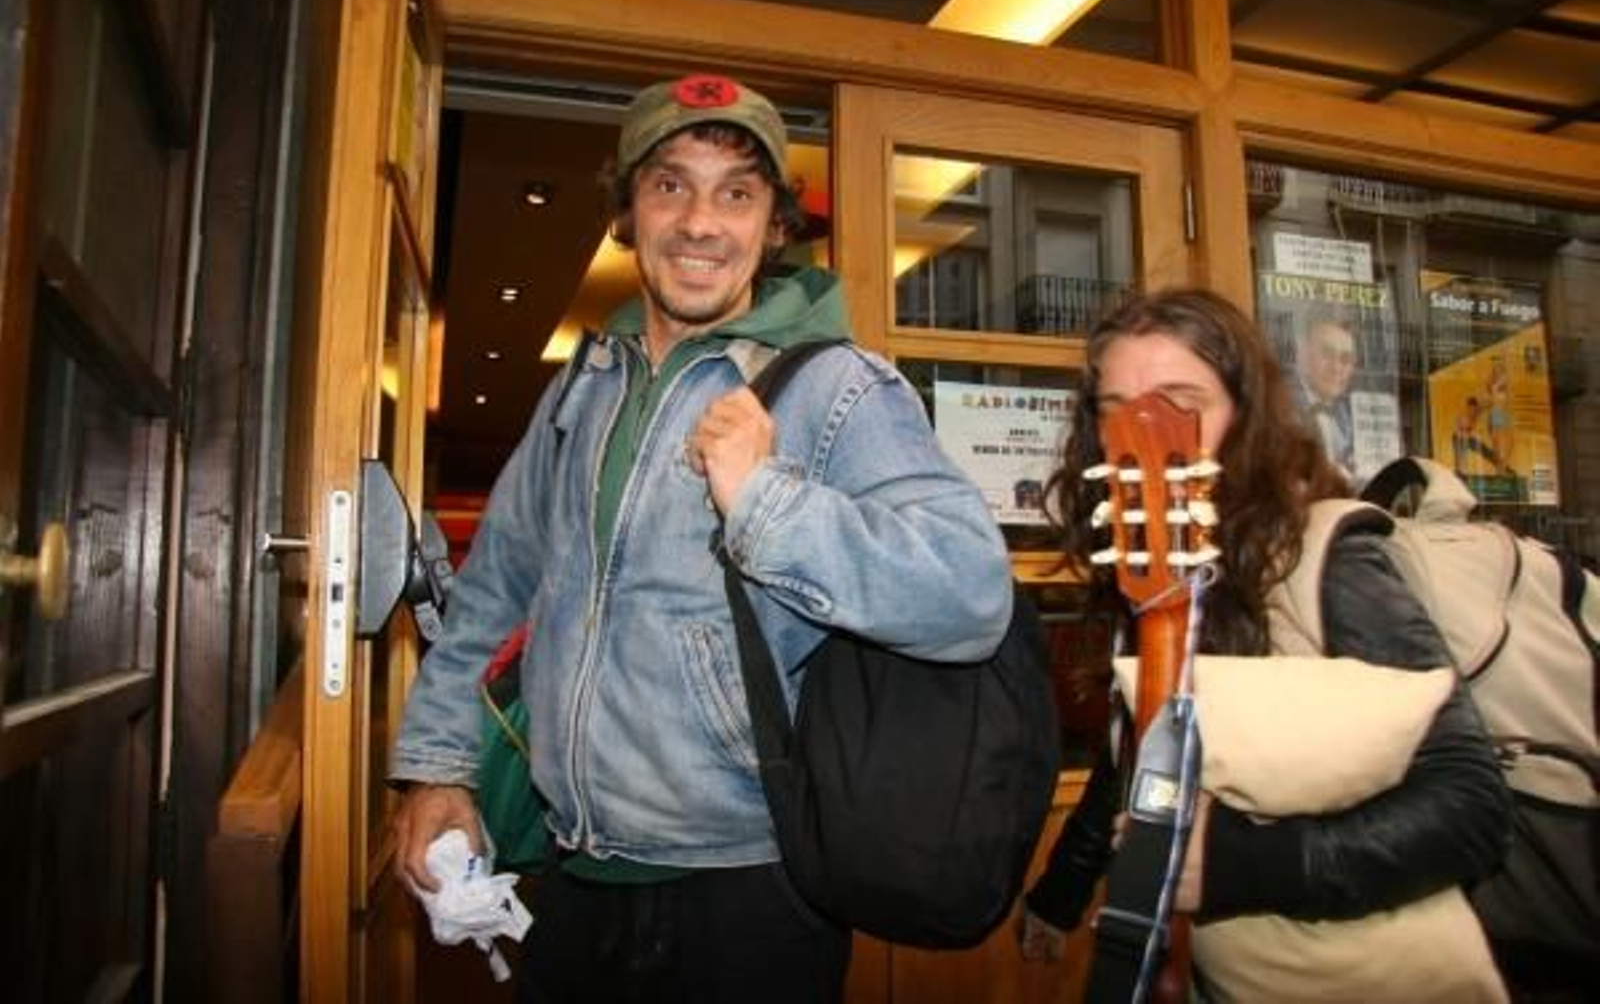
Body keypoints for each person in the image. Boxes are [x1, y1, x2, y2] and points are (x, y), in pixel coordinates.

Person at [388, 73, 1014, 1004]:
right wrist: (439, 764)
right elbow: (495, 589)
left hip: (750, 890)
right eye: (670, 184)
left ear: (773, 225)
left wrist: (764, 503)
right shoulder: (581, 386)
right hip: (571, 875)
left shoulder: (839, 387)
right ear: (628, 211)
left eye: (737, 194)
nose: (700, 223)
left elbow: (969, 593)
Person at [1019, 289, 1512, 990]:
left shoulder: (1326, 557)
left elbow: (1471, 805)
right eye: (1115, 406)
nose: (1142, 432)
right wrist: (1062, 889)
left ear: (1245, 415)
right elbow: (1146, 744)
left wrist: (1240, 866)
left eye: (1180, 401)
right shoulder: (1153, 567)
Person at [1290, 307, 1359, 480]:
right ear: (1302, 354)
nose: (1336, 368)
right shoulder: (1281, 405)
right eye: (1327, 355)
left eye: (1345, 359)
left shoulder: (1348, 414)